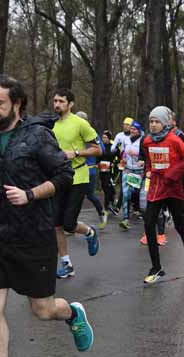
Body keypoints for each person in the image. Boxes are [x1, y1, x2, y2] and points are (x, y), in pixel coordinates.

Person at [0, 74, 93, 357]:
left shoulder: (37, 136)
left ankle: (73, 314)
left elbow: (64, 175)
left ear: (17, 104)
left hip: (33, 233)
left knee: (42, 309)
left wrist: (31, 194)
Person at [140, 106, 184, 283]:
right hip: (156, 187)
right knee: (149, 224)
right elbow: (149, 161)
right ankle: (156, 267)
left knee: (179, 225)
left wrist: (173, 173)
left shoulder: (173, 139)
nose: (154, 125)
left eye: (157, 121)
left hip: (173, 188)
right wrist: (149, 171)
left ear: (165, 123)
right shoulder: (147, 141)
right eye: (151, 121)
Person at [52, 89, 101, 279]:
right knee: (56, 224)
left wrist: (77, 153)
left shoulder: (81, 123)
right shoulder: (50, 123)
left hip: (78, 176)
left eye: (61, 101)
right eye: (55, 101)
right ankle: (67, 264)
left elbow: (97, 150)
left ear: (70, 104)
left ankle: (89, 231)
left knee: (68, 224)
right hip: (57, 177)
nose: (57, 105)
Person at [75, 111, 107, 230]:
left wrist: (87, 150)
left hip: (89, 169)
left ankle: (101, 213)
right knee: (75, 195)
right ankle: (72, 222)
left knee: (90, 195)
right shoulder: (74, 132)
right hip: (76, 170)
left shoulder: (91, 133)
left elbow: (101, 149)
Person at [118, 121, 144, 229]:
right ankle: (125, 219)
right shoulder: (126, 139)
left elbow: (146, 155)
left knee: (137, 193)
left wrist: (141, 159)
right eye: (131, 129)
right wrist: (123, 160)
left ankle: (142, 212)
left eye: (134, 129)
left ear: (139, 130)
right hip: (128, 170)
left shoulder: (143, 140)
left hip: (139, 171)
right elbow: (123, 152)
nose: (132, 131)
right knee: (125, 194)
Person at [98, 131, 119, 215]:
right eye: (102, 137)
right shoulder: (100, 146)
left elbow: (119, 157)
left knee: (107, 187)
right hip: (102, 170)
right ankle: (113, 200)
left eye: (105, 137)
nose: (104, 139)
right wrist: (97, 163)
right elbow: (98, 156)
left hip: (110, 171)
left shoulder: (113, 147)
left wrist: (114, 163)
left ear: (109, 138)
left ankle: (106, 207)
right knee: (104, 187)